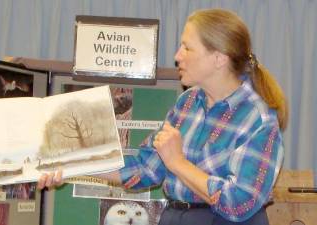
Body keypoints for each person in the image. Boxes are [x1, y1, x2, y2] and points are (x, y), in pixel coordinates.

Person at [37, 8, 288, 225]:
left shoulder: (259, 119)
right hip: (176, 217)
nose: (178, 56)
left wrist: (178, 163)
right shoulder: (187, 102)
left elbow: (239, 203)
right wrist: (70, 165)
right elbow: (144, 169)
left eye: (187, 48)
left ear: (218, 58)